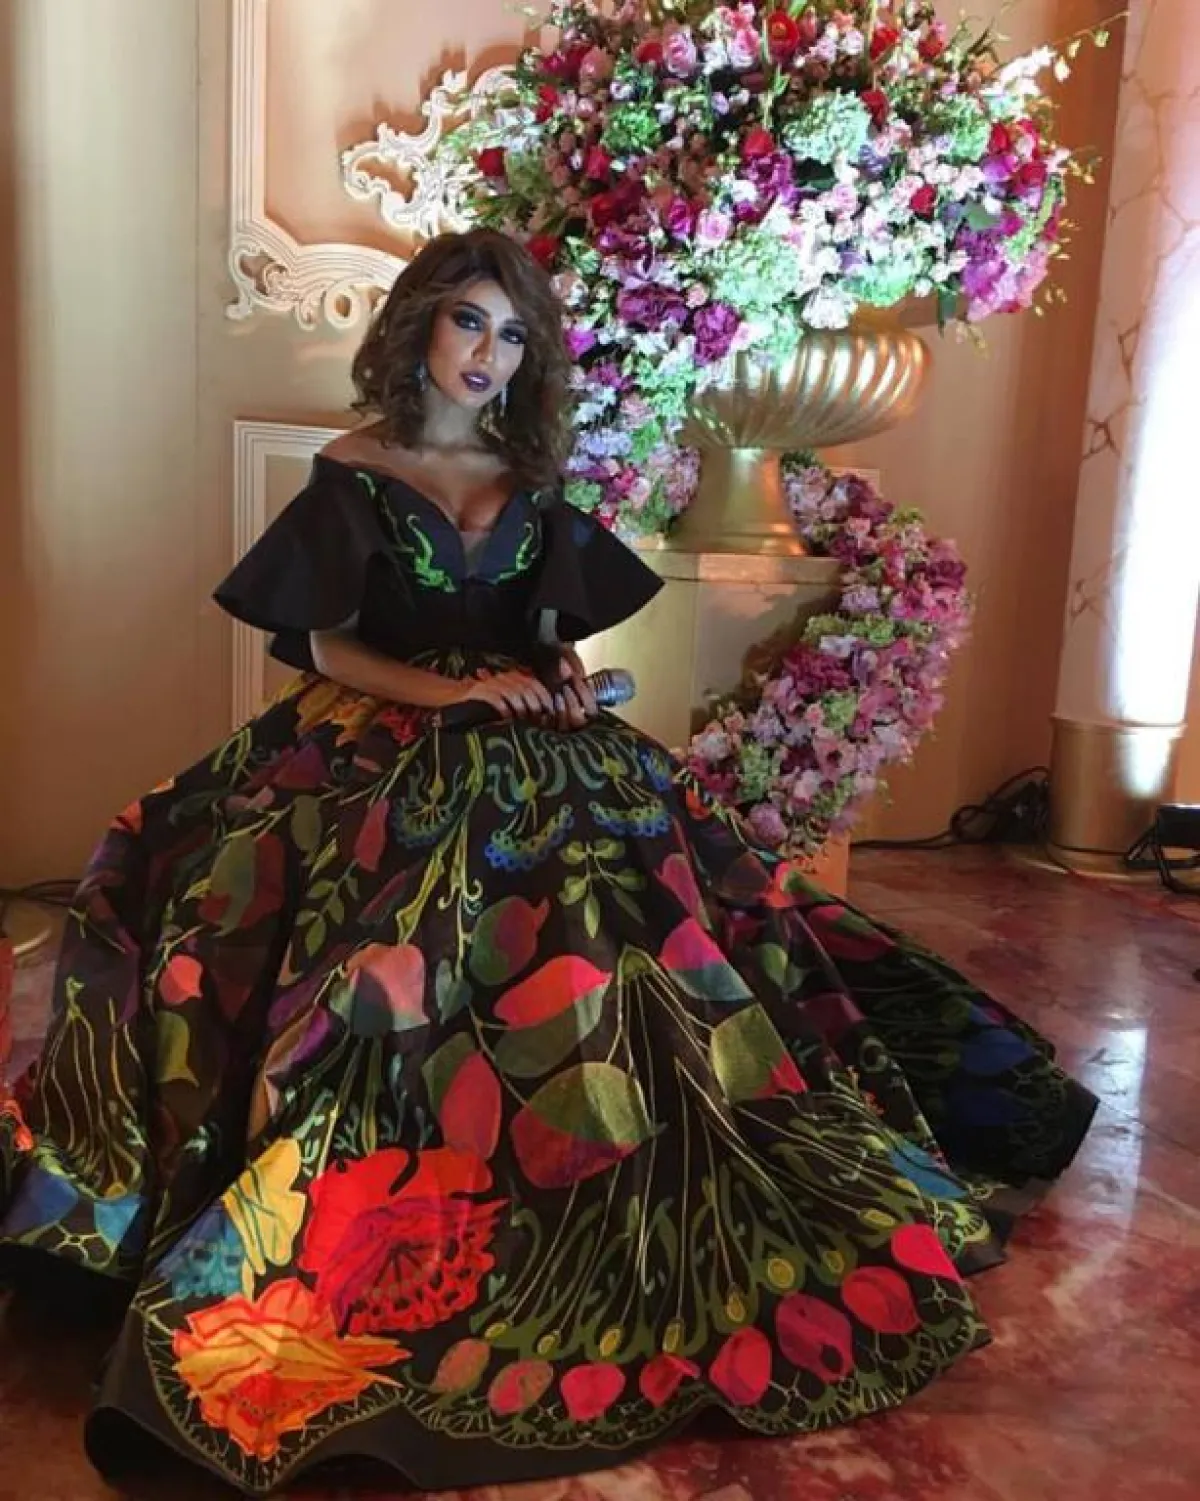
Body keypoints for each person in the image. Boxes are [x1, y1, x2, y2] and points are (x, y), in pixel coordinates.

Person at [0, 229, 1096, 1496]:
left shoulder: (528, 471)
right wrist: (454, 699)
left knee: (662, 900)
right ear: (420, 324)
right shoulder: (351, 469)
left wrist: (564, 676)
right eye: (469, 322)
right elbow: (325, 646)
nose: (489, 354)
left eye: (514, 334)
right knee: (356, 911)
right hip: (384, 734)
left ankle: (633, 1146)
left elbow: (546, 631)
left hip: (535, 734)